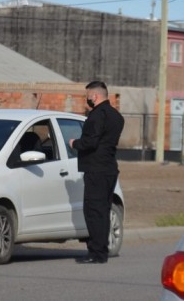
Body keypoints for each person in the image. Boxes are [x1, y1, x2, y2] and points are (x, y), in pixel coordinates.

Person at [69, 81, 124, 264]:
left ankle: (97, 252)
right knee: (103, 210)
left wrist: (74, 143)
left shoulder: (96, 116)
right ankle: (101, 250)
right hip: (109, 168)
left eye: (87, 96)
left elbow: (90, 142)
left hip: (96, 170)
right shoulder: (116, 116)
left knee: (93, 211)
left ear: (95, 96)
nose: (87, 100)